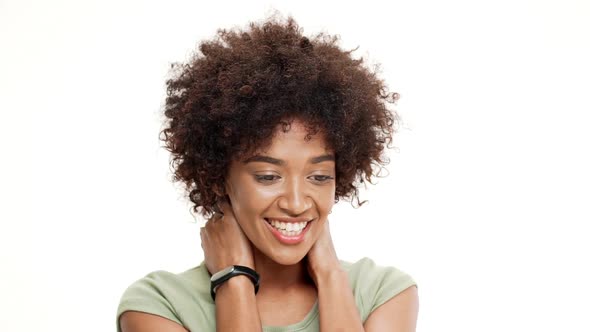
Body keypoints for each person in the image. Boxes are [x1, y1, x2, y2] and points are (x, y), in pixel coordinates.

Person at [117, 16, 418, 332]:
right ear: (218, 177)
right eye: (267, 176)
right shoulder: (160, 306)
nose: (297, 203)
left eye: (318, 177)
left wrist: (330, 276)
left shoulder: (383, 293)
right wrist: (233, 281)